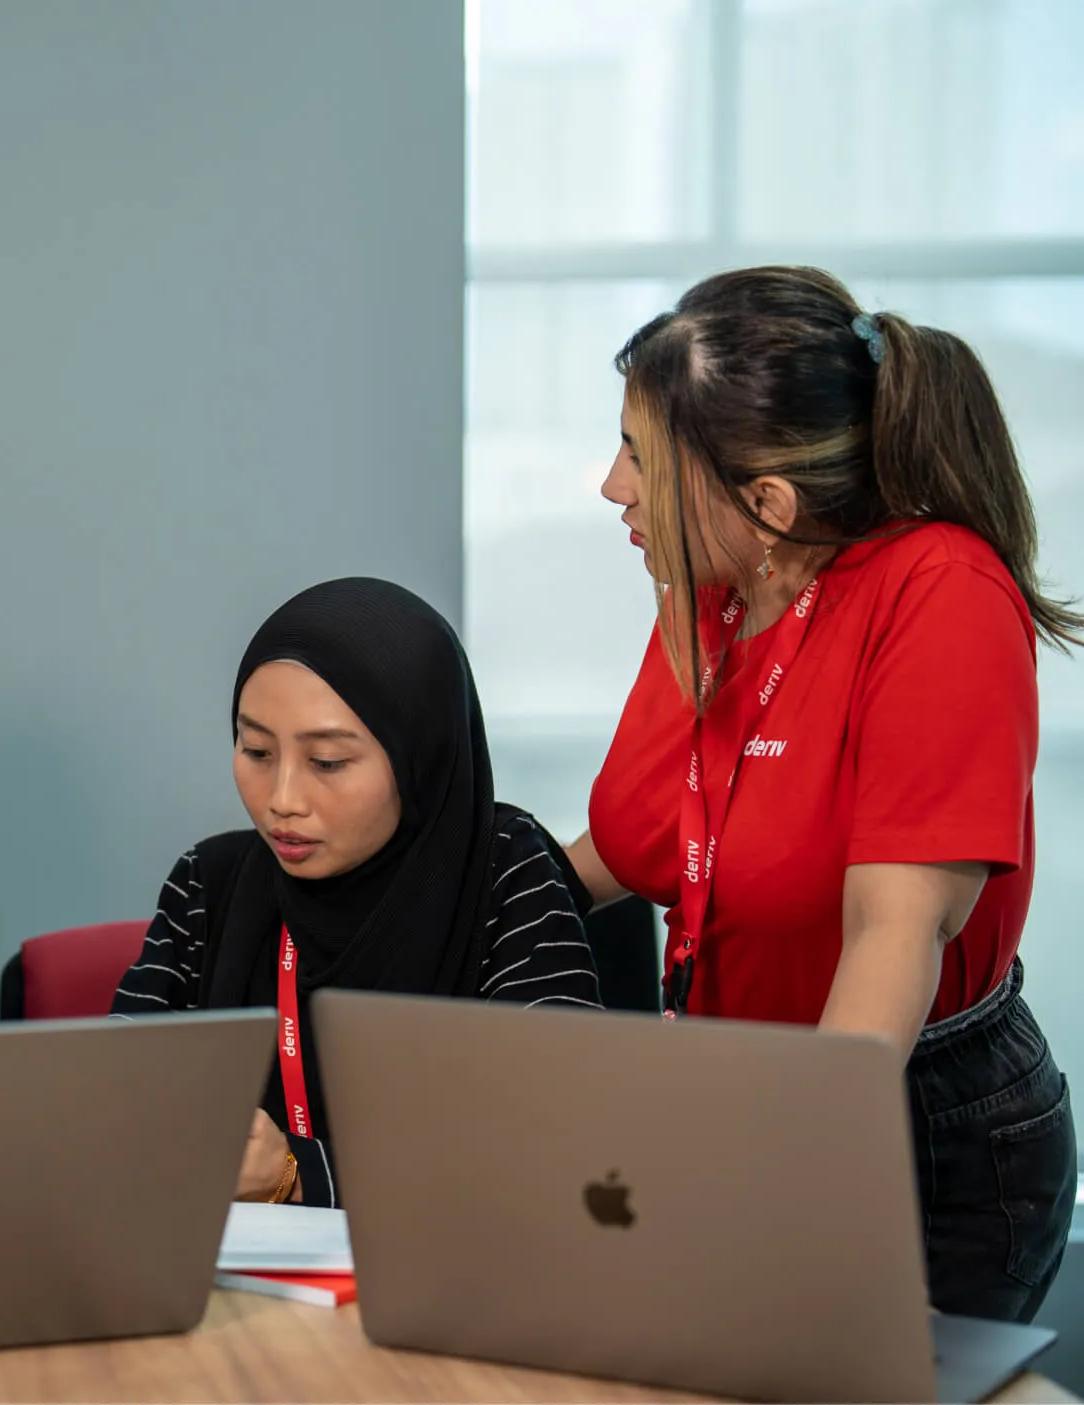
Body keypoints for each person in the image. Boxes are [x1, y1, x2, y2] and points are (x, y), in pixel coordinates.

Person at [567, 266, 1076, 1322]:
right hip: (741, 1088)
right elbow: (648, 842)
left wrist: (781, 1182)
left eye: (638, 456)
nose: (611, 486)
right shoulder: (723, 586)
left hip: (909, 1125)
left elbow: (897, 934)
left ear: (768, 503)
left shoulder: (940, 593)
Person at [112, 577, 601, 1207]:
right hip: (240, 1295)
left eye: (328, 763)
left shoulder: (505, 873)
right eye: (255, 749)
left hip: (460, 1289)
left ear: (418, 757)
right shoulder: (210, 885)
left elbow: (555, 1146)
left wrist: (300, 1174)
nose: (282, 799)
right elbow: (116, 1104)